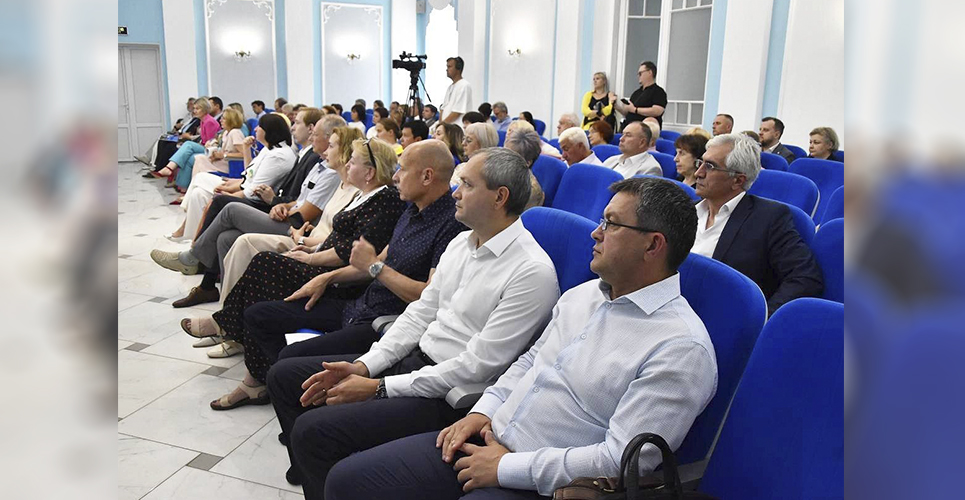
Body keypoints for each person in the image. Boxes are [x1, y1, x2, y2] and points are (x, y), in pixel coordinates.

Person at [323, 177, 718, 500]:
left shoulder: (679, 348)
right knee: (346, 481)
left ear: (653, 244)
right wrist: (482, 411)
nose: (596, 232)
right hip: (489, 437)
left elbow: (622, 461)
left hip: (547, 485)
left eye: (612, 224)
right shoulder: (585, 294)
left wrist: (505, 468)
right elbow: (530, 361)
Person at [266, 147, 560, 498]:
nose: (455, 192)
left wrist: (379, 387)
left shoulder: (531, 272)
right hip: (414, 365)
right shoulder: (461, 243)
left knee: (313, 432)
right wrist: (365, 366)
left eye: (467, 185)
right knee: (284, 376)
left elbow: (477, 366)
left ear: (499, 197)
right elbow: (420, 313)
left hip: (448, 397)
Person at [149, 113, 299, 285]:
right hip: (258, 196)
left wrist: (230, 193)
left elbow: (253, 191)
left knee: (219, 201)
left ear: (269, 131)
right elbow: (249, 176)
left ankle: (193, 255)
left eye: (260, 127)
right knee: (204, 199)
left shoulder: (279, 155)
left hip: (262, 204)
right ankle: (203, 276)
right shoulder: (270, 150)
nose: (256, 129)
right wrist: (237, 174)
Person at [693, 133, 824, 315]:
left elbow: (805, 278)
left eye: (710, 166)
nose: (698, 173)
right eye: (701, 163)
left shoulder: (769, 219)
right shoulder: (686, 210)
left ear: (738, 180)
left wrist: (759, 320)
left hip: (718, 315)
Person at [151, 97, 221, 178]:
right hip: (203, 145)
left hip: (210, 148)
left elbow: (210, 141)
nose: (194, 111)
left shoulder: (209, 122)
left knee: (188, 144)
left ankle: (169, 168)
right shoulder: (203, 120)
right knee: (186, 154)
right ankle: (180, 182)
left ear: (205, 109)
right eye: (194, 108)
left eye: (197, 109)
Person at [612, 61, 667, 129]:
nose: (638, 76)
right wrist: (616, 106)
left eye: (640, 73)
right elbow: (628, 113)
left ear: (650, 72)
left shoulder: (658, 91)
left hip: (645, 129)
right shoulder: (636, 93)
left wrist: (635, 110)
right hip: (628, 127)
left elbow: (657, 111)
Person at [503, 129, 547, 210]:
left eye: (510, 157)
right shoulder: (504, 174)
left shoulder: (530, 192)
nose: (503, 158)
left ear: (527, 162)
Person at [440, 56, 473, 125]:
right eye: (447, 67)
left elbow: (457, 112)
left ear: (458, 69)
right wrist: (440, 124)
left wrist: (443, 125)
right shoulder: (450, 87)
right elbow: (443, 108)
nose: (447, 69)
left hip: (457, 127)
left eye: (449, 67)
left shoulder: (464, 85)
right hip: (446, 126)